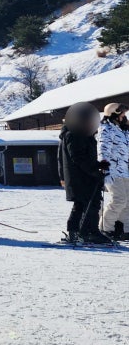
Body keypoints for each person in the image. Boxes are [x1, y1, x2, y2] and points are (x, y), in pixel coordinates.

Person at [58, 102, 112, 245]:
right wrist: (94, 171)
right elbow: (78, 158)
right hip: (80, 177)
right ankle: (88, 232)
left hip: (86, 176)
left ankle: (80, 231)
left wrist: (99, 165)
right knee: (88, 204)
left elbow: (86, 157)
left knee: (84, 204)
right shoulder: (73, 135)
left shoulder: (83, 134)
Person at [97, 102, 129, 240]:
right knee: (119, 200)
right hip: (113, 171)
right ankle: (105, 228)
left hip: (125, 170)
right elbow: (103, 147)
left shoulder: (122, 130)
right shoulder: (106, 129)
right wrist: (103, 164)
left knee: (127, 202)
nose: (124, 116)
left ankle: (124, 229)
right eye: (122, 114)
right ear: (114, 114)